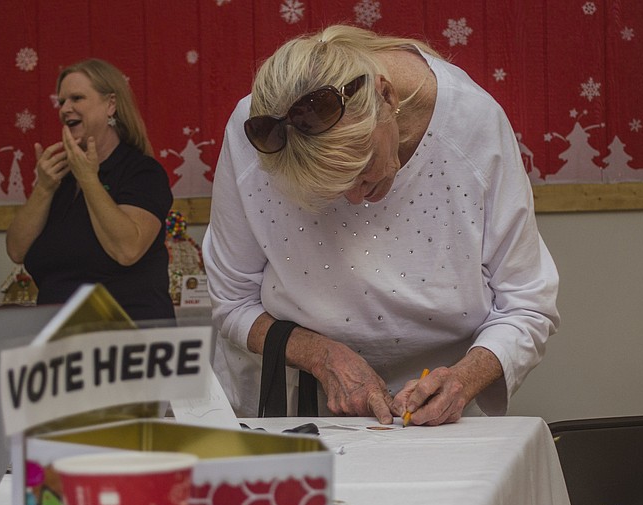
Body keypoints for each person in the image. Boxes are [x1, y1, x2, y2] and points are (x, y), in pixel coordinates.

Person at [203, 25, 559, 425]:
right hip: (286, 405)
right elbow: (233, 303)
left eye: (361, 170)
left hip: (433, 412)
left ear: (386, 97)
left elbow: (526, 305)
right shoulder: (258, 132)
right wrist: (319, 354)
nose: (356, 200)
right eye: (330, 193)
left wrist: (462, 380)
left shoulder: (473, 126)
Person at [6, 58, 175, 322]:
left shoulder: (142, 172)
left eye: (77, 98)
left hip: (129, 344)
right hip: (63, 344)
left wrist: (89, 180)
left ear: (111, 105)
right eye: (61, 102)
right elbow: (16, 250)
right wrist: (44, 188)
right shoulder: (60, 176)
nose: (65, 109)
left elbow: (127, 249)